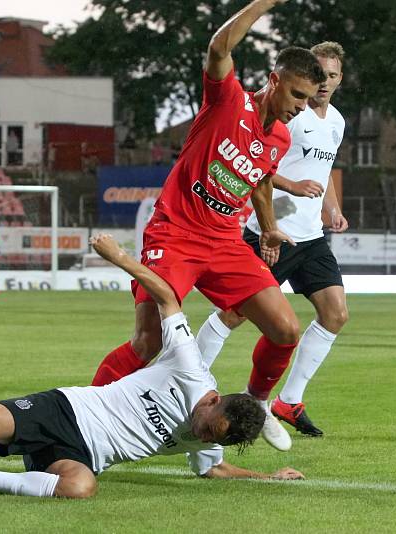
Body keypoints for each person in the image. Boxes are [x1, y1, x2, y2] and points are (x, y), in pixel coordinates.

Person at [0, 233, 304, 499]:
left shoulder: (212, 433)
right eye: (207, 426)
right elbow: (169, 297)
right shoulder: (191, 368)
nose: (201, 435)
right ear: (213, 400)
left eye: (210, 437)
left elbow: (213, 473)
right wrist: (120, 257)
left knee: (81, 488)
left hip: (79, 455)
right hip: (68, 412)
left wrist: (268, 478)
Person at [89, 0, 326, 451]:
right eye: (296, 94)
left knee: (286, 330)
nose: (301, 106)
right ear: (274, 80)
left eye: (308, 99)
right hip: (175, 233)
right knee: (146, 341)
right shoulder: (227, 100)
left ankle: (258, 401)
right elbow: (219, 45)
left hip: (224, 242)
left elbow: (258, 181)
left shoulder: (279, 136)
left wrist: (269, 226)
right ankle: (84, 415)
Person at [195, 41, 348, 437]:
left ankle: (288, 401)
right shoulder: (289, 115)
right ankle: (189, 382)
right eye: (320, 76)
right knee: (234, 315)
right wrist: (291, 186)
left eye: (332, 76)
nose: (325, 84)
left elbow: (325, 169)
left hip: (310, 237)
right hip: (272, 234)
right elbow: (258, 166)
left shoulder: (336, 122)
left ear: (339, 79)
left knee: (335, 314)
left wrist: (332, 209)